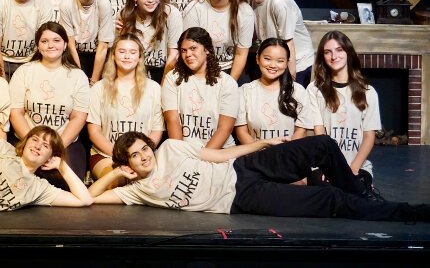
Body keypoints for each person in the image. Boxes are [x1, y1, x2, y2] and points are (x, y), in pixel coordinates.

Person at [87, 131, 428, 222]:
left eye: (144, 147)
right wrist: (117, 173)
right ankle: (406, 212)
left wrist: (261, 144)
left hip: (243, 168)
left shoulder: (172, 148)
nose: (144, 154)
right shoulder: (137, 191)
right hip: (240, 200)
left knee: (321, 146)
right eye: (135, 155)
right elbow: (90, 198)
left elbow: (220, 155)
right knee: (330, 200)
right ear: (129, 163)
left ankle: (362, 192)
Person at [9, 22, 90, 185]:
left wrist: (53, 148)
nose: (50, 45)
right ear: (38, 46)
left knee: (66, 182)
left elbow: (78, 117)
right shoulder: (25, 71)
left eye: (56, 40)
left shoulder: (77, 76)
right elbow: (16, 113)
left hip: (63, 142)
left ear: (65, 44)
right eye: (44, 41)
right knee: (15, 179)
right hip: (26, 140)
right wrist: (33, 146)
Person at [307, 31, 382, 196]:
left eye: (339, 50)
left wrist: (353, 168)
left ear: (348, 52)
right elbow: (319, 134)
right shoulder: (314, 89)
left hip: (357, 165)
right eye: (328, 52)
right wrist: (327, 167)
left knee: (358, 192)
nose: (334, 56)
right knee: (327, 194)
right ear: (322, 57)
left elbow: (369, 136)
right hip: (325, 165)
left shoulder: (368, 92)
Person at [87, 33, 164, 181]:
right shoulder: (99, 88)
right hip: (107, 154)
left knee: (157, 182)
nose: (127, 56)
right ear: (113, 56)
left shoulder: (154, 89)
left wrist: (139, 156)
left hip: (143, 157)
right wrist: (123, 157)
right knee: (118, 181)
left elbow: (156, 130)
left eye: (132, 52)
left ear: (140, 57)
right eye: (122, 52)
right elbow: (94, 132)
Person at [237, 0, 314, 86]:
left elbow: (288, 44)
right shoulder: (252, 0)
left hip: (296, 63)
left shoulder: (279, 2)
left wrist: (291, 84)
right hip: (276, 61)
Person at [161, 27, 240, 149]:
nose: (188, 54)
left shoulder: (227, 83)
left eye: (193, 48)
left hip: (219, 151)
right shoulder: (172, 78)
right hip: (184, 151)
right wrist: (182, 155)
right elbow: (172, 121)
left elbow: (225, 128)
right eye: (183, 50)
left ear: (207, 49)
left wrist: (204, 157)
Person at [182, 0, 254, 82]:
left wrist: (229, 84)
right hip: (201, 68)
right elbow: (192, 50)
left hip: (231, 69)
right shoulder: (194, 9)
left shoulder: (245, 11)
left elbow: (241, 54)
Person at [235, 38, 311, 144]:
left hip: (289, 156)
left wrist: (284, 155)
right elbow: (241, 132)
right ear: (257, 59)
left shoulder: (298, 91)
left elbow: (301, 131)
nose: (273, 65)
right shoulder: (244, 92)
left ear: (286, 63)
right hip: (256, 156)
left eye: (280, 61)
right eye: (267, 59)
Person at [118, 0, 182, 83]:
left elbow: (173, 55)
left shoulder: (171, 13)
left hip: (164, 72)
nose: (151, 0)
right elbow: (120, 54)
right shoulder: (125, 15)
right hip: (134, 73)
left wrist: (162, 87)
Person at [58, 0, 114, 86]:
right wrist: (81, 78)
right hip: (76, 54)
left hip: (98, 54)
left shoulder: (103, 4)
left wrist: (93, 82)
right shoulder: (66, 5)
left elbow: (103, 46)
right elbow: (70, 45)